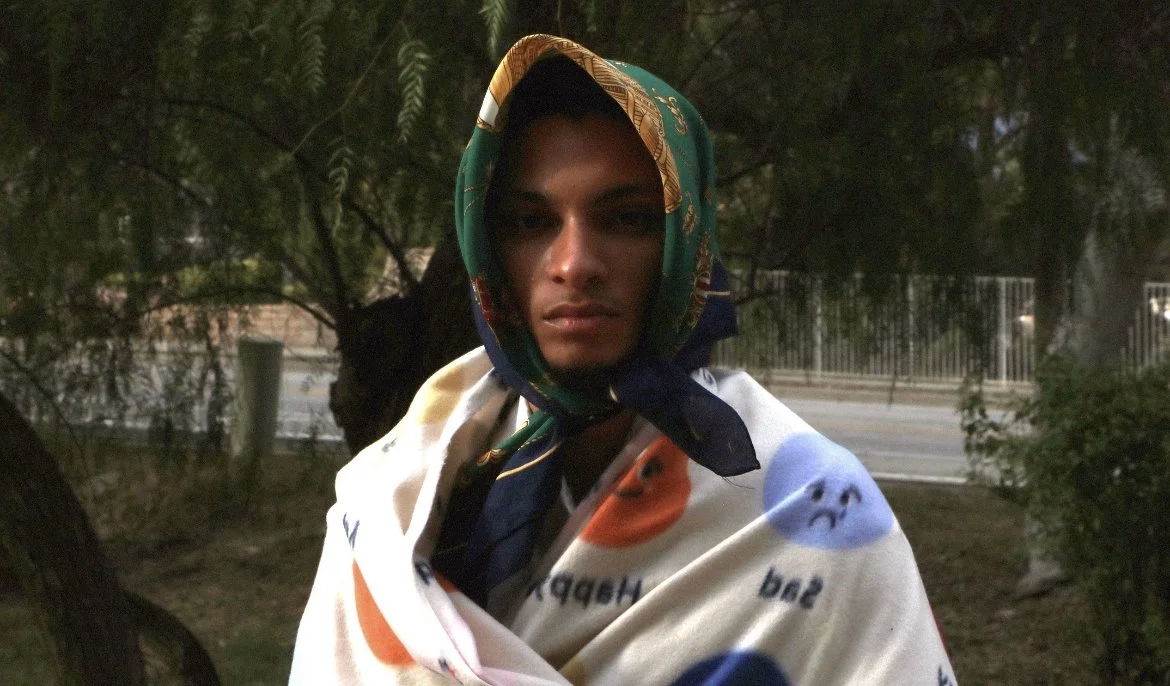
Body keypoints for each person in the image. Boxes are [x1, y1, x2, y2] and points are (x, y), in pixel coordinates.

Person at [291, 34, 956, 685]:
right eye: (530, 222)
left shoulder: (815, 510)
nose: (574, 264)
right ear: (487, 245)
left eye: (628, 219)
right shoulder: (389, 502)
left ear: (685, 239)